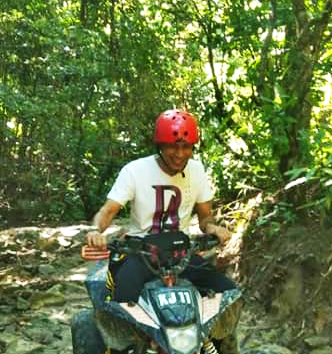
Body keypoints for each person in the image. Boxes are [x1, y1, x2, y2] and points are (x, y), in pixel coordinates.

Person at [86, 108, 237, 303]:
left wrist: (212, 227)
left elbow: (205, 216)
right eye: (173, 146)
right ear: (160, 146)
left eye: (186, 147)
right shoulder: (135, 171)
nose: (180, 154)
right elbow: (107, 211)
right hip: (140, 252)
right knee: (122, 302)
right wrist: (95, 231)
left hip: (181, 253)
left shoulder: (197, 170)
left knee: (228, 294)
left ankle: (213, 335)